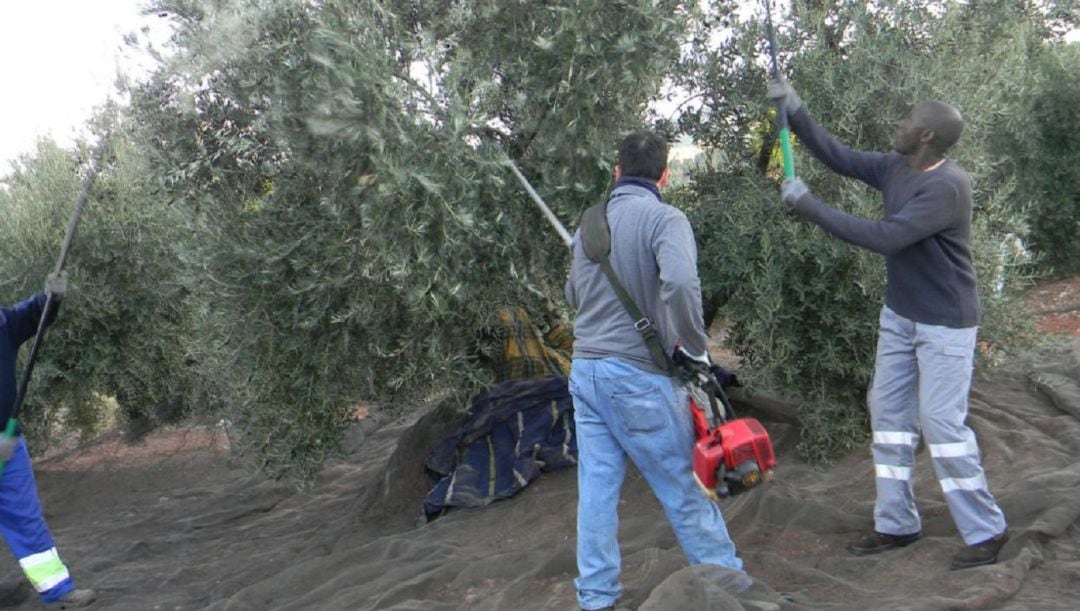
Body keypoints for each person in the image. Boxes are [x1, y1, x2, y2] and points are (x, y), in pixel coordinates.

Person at [768, 79, 1009, 569]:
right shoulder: (896, 166)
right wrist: (797, 110)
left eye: (908, 120)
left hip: (945, 323)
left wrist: (809, 205)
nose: (899, 124)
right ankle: (897, 524)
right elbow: (839, 157)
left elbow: (886, 237)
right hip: (900, 314)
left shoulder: (946, 186)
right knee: (889, 417)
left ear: (926, 136)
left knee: (940, 423)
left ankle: (987, 530)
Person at [564, 130, 746, 611]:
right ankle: (730, 589)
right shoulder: (666, 219)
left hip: (586, 373)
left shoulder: (589, 225)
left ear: (616, 171)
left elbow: (572, 297)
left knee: (596, 491)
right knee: (684, 488)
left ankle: (596, 597)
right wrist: (697, 348)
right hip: (638, 378)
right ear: (665, 176)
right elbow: (681, 284)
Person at [0, 273, 96, 607]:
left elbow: (33, 314)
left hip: (9, 447)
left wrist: (50, 297)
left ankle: (59, 591)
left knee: (26, 520)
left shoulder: (4, 323)